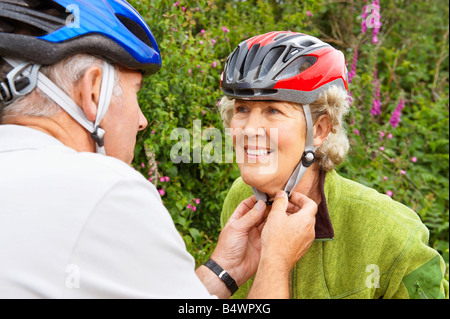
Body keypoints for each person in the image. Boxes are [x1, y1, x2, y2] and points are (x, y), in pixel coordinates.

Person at [0, 1, 318, 299]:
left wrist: (224, 270)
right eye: (136, 91)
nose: (142, 121)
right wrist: (275, 261)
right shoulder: (106, 189)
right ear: (93, 91)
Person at [219, 31, 449, 299]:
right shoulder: (239, 200)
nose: (249, 130)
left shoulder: (395, 233)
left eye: (273, 110)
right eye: (242, 109)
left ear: (319, 129)